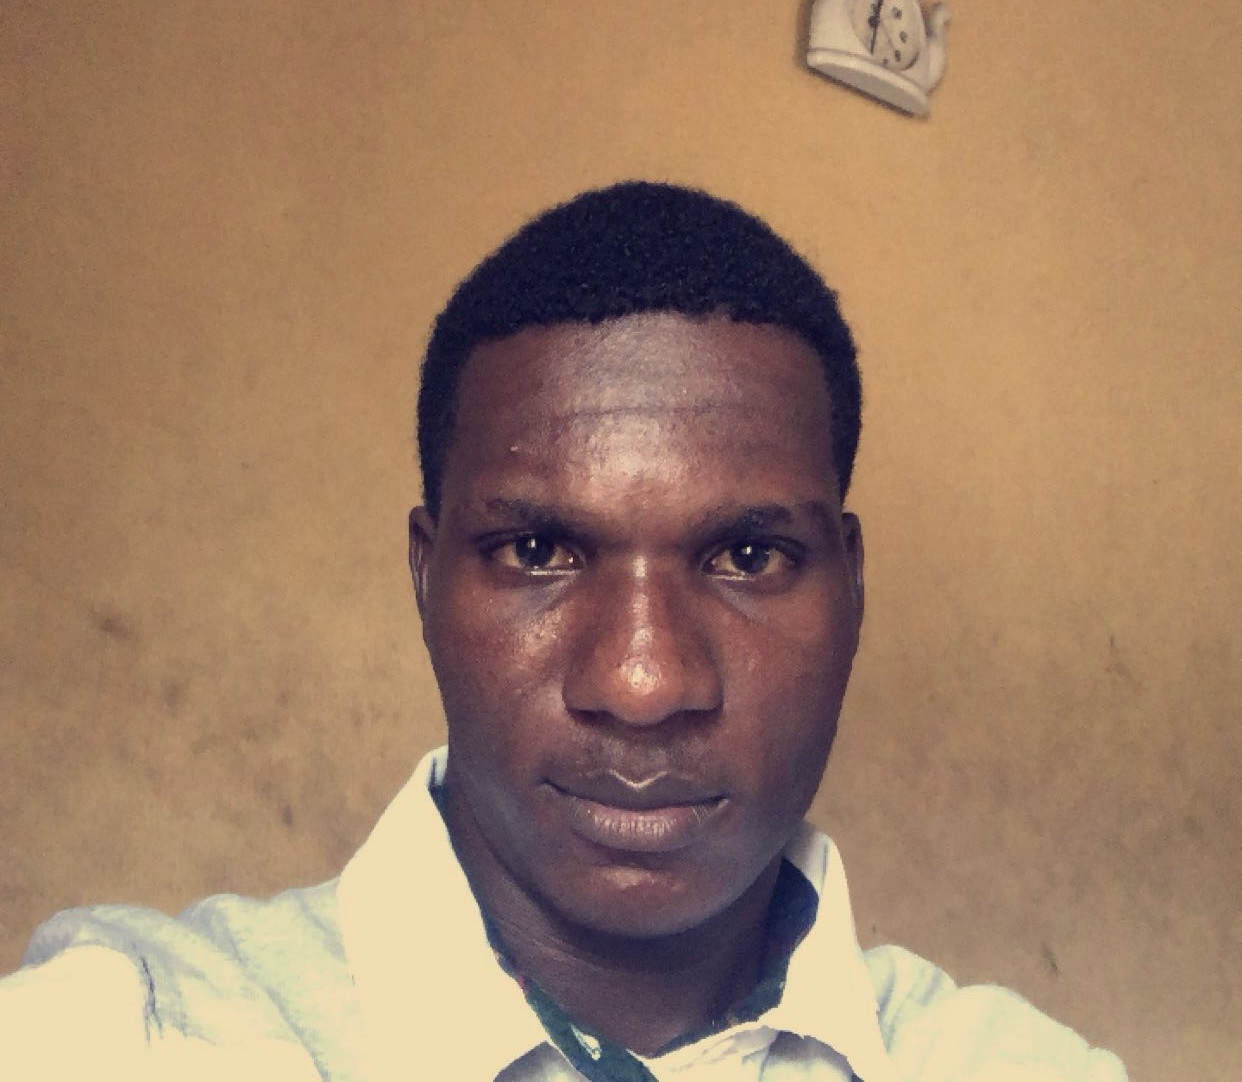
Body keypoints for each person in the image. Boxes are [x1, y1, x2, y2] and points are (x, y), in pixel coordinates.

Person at [0, 181, 1127, 1080]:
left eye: (747, 556)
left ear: (853, 590)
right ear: (425, 579)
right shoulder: (134, 1034)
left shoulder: (1018, 1067)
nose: (643, 680)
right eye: (538, 550)